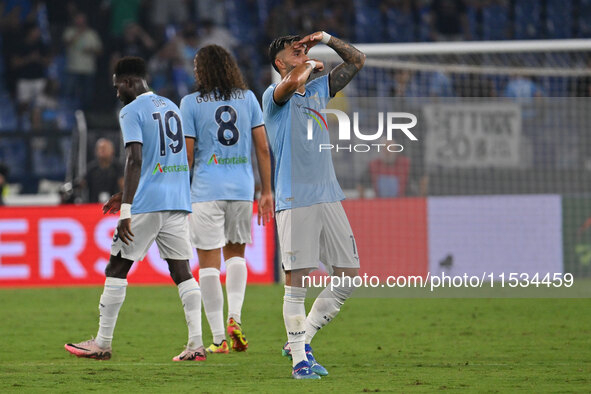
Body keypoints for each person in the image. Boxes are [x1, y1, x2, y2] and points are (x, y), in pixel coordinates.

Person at [64, 56, 205, 362]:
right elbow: (163, 160)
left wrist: (127, 208)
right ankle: (196, 344)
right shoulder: (170, 106)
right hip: (177, 200)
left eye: (117, 87)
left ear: (128, 82)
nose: (116, 94)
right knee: (181, 271)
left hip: (148, 203)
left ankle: (102, 343)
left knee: (116, 267)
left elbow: (135, 159)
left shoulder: (131, 111)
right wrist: (122, 193)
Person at [263, 32, 365, 379]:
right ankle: (299, 363)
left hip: (329, 196)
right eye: (295, 51)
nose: (303, 52)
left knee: (348, 277)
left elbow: (356, 61)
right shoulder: (274, 96)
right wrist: (306, 65)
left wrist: (326, 38)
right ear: (280, 63)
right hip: (295, 200)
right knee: (297, 283)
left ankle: (300, 339)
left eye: (305, 47)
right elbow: (291, 83)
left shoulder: (320, 88)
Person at [180, 45, 273, 354]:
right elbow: (262, 148)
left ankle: (219, 338)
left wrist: (179, 188)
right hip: (241, 188)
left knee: (207, 262)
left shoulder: (190, 103)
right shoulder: (248, 99)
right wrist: (266, 190)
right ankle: (236, 318)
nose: (194, 71)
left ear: (204, 70)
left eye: (197, 66)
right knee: (236, 255)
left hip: (206, 189)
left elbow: (189, 154)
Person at [63, 12, 103, 109]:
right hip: (73, 68)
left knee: (87, 96)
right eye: (78, 20)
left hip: (88, 69)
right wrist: (78, 33)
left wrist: (91, 50)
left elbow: (100, 51)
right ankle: (68, 115)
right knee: (69, 94)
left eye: (82, 20)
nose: (80, 22)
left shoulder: (92, 33)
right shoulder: (69, 31)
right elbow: (66, 44)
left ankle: (85, 116)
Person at [84, 138, 124, 203]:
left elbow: (123, 186)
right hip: (93, 205)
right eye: (99, 148)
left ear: (112, 150)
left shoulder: (118, 167)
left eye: (104, 148)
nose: (101, 150)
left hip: (114, 205)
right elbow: (82, 183)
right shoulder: (91, 168)